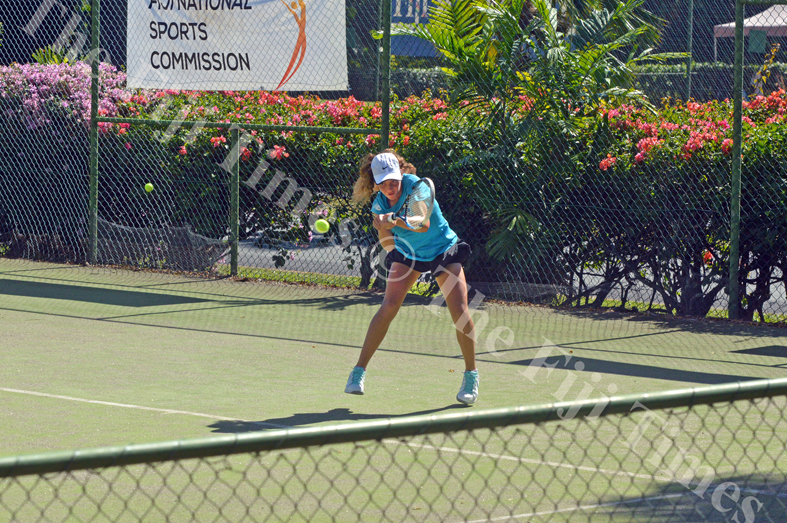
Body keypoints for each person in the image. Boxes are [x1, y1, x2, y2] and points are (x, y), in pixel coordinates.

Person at [344, 150, 479, 405]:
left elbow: (422, 224)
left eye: (393, 180)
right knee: (389, 306)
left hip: (443, 250)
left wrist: (392, 220)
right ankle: (358, 372)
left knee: (459, 311)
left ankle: (471, 375)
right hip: (409, 254)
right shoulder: (379, 204)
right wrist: (393, 249)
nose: (390, 187)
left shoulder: (418, 187)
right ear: (375, 183)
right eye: (383, 183)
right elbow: (387, 242)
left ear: (401, 173)